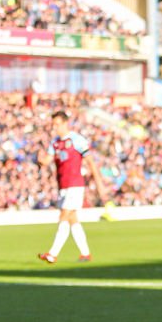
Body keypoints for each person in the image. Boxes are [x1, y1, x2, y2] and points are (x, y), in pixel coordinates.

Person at [39, 111, 107, 264]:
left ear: (65, 123)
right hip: (62, 185)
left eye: (57, 124)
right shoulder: (55, 143)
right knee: (72, 219)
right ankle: (85, 253)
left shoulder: (77, 140)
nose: (55, 128)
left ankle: (52, 254)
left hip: (75, 185)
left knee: (64, 216)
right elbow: (47, 160)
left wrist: (99, 184)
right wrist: (41, 161)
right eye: (53, 125)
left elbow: (90, 162)